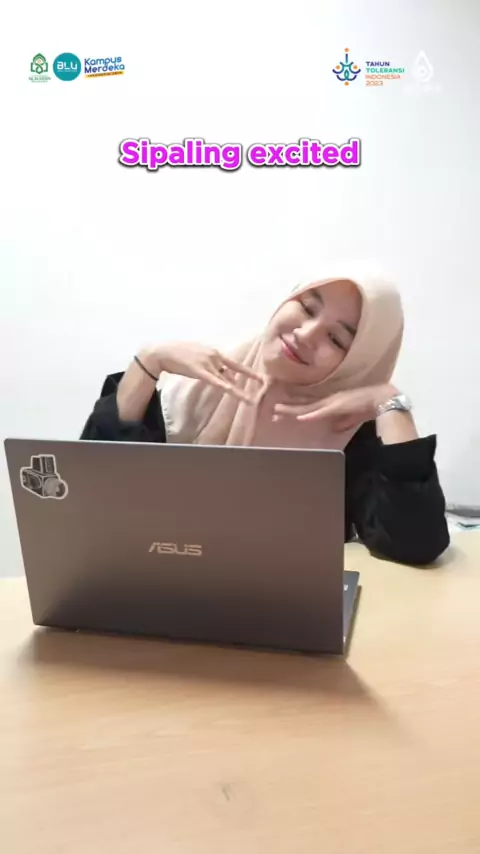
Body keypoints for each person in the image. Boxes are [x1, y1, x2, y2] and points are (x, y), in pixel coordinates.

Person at [80, 267, 450, 566]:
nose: (305, 334)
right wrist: (149, 360)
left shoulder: (348, 431)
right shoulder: (194, 390)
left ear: (359, 363)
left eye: (337, 339)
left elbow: (415, 544)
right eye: (307, 307)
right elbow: (91, 500)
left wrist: (389, 400)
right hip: (161, 590)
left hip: (290, 609)